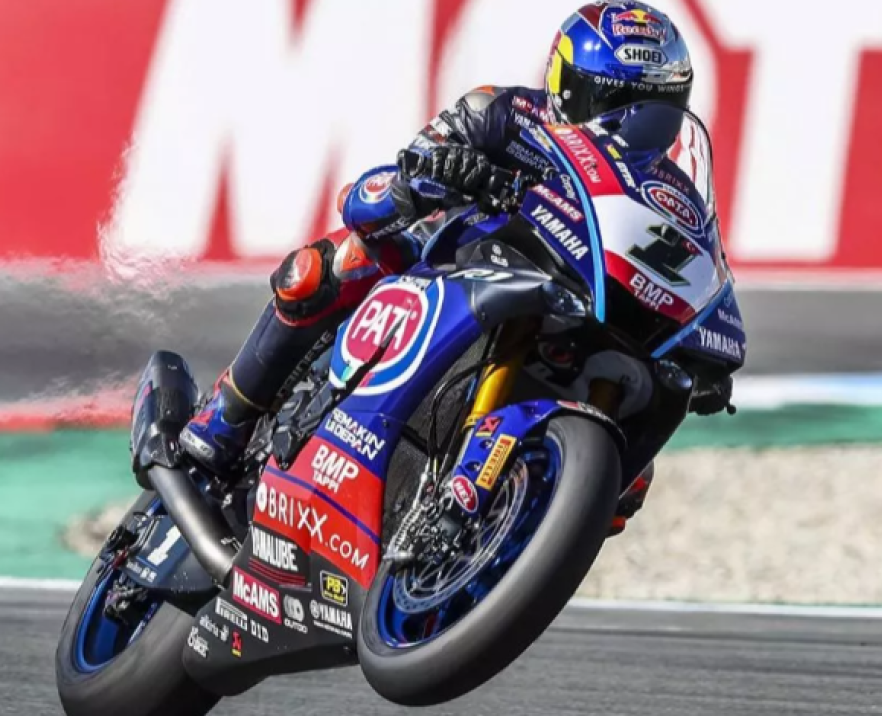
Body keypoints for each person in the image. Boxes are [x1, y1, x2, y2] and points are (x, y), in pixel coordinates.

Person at [180, 1, 729, 532]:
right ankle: (226, 420)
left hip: (577, 300)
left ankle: (492, 547)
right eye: (616, 102)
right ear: (567, 86)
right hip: (461, 254)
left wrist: (704, 349)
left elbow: (704, 274)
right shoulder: (502, 113)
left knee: (625, 487)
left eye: (657, 112)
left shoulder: (672, 192)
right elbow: (382, 188)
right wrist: (435, 175)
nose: (632, 128)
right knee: (325, 269)